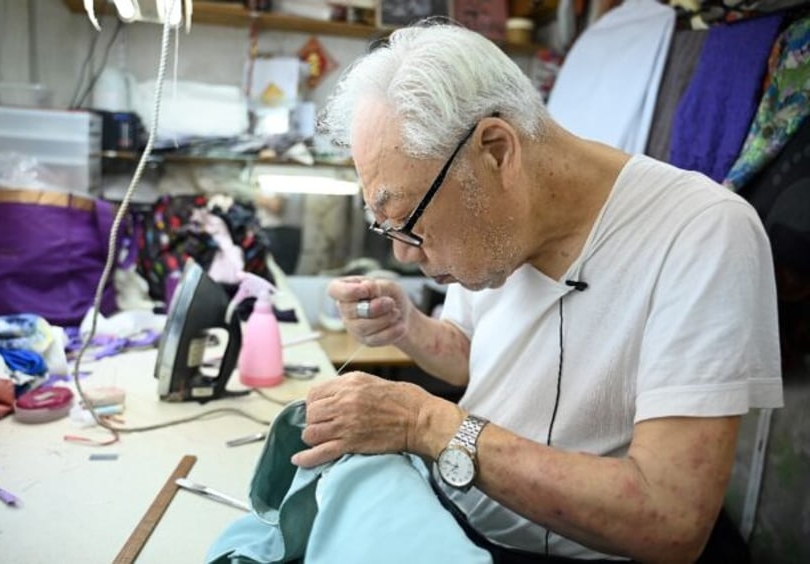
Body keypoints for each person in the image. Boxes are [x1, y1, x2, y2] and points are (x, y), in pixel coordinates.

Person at [291, 22, 783, 562]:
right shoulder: (495, 220)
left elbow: (669, 519)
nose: (404, 253)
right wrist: (409, 327)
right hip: (454, 525)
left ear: (496, 151)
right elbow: (473, 358)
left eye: (408, 220)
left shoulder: (702, 233)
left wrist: (426, 423)